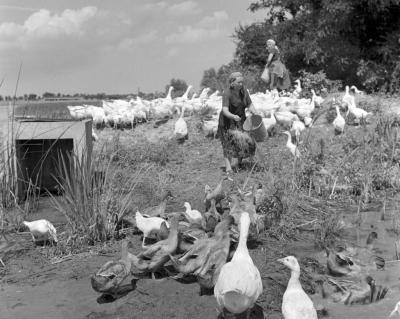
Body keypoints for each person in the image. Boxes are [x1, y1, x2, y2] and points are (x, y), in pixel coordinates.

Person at [217, 72, 258, 174]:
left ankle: (239, 162)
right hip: (227, 120)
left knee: (244, 141)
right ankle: (228, 168)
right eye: (239, 82)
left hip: (241, 119)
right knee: (228, 143)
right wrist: (233, 116)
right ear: (232, 83)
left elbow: (250, 104)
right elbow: (225, 110)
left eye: (242, 82)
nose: (241, 84)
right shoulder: (227, 93)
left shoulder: (244, 91)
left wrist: (255, 112)